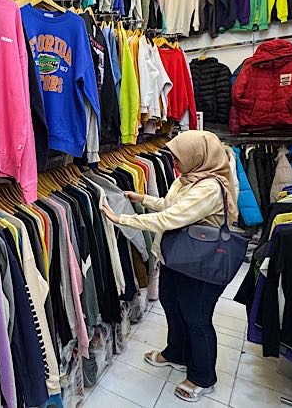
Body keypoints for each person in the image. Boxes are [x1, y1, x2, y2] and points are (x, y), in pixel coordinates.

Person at [100, 130, 239, 403]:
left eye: (178, 158)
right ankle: (176, 352)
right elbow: (168, 204)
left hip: (202, 264)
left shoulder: (209, 187)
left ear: (197, 155)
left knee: (197, 319)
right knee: (172, 305)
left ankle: (203, 377)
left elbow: (170, 218)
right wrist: (142, 199)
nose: (175, 163)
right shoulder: (188, 177)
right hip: (179, 257)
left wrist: (122, 219)